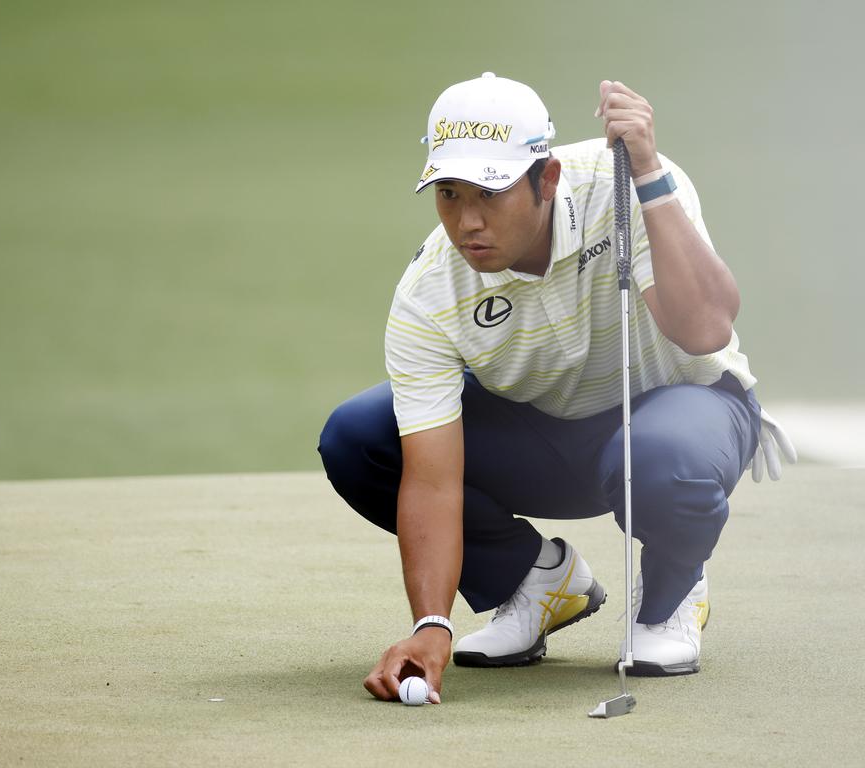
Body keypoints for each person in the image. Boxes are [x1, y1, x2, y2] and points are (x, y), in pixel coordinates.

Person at [317, 73, 796, 704]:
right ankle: (535, 582)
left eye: (489, 194)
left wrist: (650, 173)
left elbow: (706, 329)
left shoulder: (626, 186)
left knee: (658, 457)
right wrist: (431, 624)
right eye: (449, 194)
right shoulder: (430, 290)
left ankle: (673, 593)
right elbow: (431, 478)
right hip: (549, 436)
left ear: (546, 180)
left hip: (684, 413)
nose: (467, 222)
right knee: (361, 438)